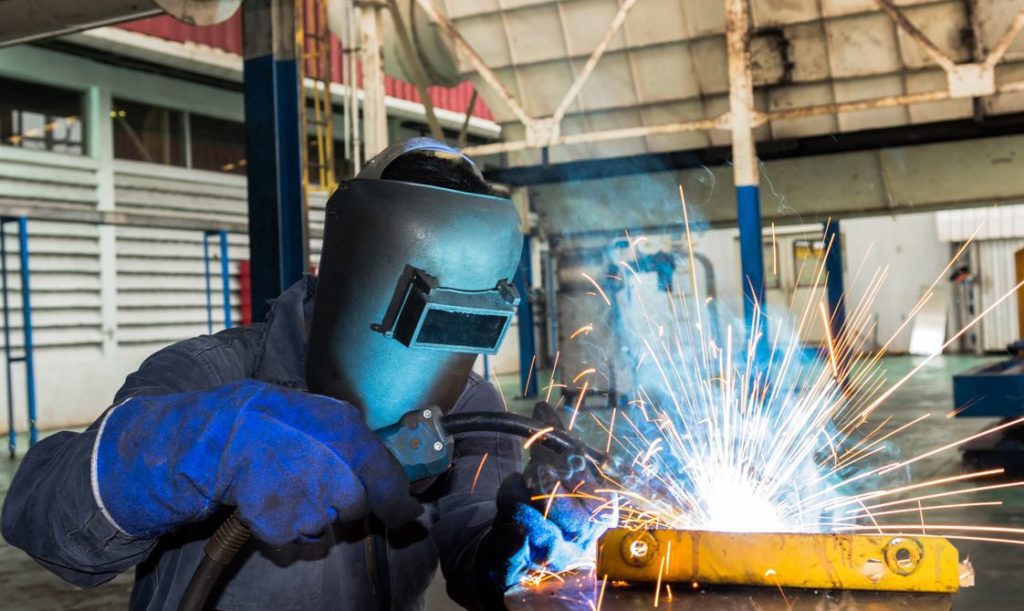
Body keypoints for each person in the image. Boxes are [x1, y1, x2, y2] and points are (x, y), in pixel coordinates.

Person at [1, 138, 609, 610]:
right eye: (423, 309)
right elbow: (43, 522)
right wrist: (195, 446)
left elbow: (477, 549)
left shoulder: (473, 407)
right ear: (350, 265)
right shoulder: (215, 375)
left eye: (465, 322)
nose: (437, 348)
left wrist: (524, 542)